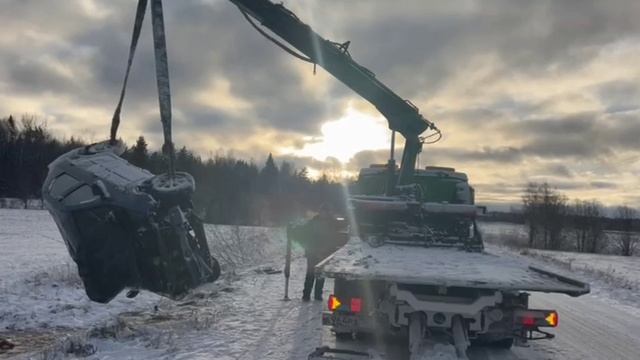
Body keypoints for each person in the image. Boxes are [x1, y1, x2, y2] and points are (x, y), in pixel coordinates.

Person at [299, 205, 346, 301]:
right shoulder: (313, 222)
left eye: (326, 212)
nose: (324, 214)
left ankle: (317, 294)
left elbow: (340, 229)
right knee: (310, 274)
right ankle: (306, 294)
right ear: (320, 212)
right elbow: (304, 232)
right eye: (322, 212)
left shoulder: (331, 223)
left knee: (320, 274)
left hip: (324, 252)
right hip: (312, 251)